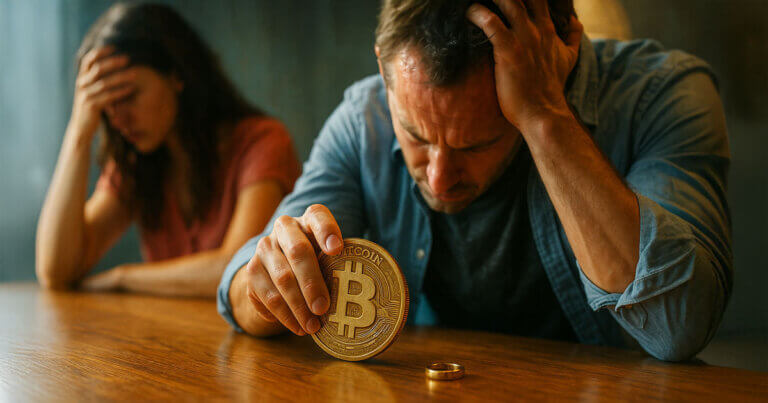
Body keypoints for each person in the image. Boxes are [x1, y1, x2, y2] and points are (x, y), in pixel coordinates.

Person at [217, 0, 732, 361]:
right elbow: (242, 281)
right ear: (383, 63)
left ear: (562, 59)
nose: (439, 179)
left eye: (478, 144)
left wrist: (546, 117)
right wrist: (269, 284)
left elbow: (677, 326)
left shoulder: (662, 95)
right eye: (416, 135)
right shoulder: (363, 118)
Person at [36, 3, 301, 297]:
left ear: (176, 75)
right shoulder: (137, 162)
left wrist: (123, 278)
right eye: (107, 106)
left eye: (129, 96)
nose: (118, 119)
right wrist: (78, 134)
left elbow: (240, 268)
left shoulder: (262, 142)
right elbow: (55, 271)